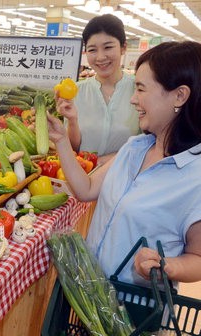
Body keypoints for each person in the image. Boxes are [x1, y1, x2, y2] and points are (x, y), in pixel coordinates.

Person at [48, 41, 201, 287]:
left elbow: (197, 257)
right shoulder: (135, 148)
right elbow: (85, 189)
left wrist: (167, 265)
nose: (132, 99)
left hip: (135, 311)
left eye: (141, 89)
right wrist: (61, 140)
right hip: (92, 294)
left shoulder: (195, 176)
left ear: (180, 96)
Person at [56, 14, 140, 164]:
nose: (100, 57)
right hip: (83, 178)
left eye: (108, 47)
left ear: (123, 48)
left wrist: (103, 162)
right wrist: (72, 120)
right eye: (92, 50)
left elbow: (150, 144)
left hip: (127, 178)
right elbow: (73, 150)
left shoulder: (140, 89)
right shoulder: (75, 91)